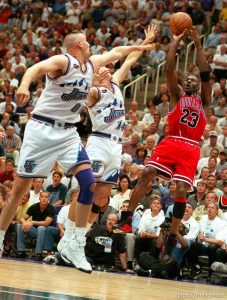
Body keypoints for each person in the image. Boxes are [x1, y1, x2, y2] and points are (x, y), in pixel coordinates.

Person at [0, 31, 152, 273]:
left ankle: (76, 244)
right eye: (88, 41)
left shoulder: (93, 65)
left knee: (89, 183)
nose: (91, 45)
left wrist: (142, 45)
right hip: (42, 129)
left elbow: (118, 52)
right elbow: (35, 68)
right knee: (20, 189)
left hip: (69, 133)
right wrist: (25, 85)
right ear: (80, 44)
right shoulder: (64, 62)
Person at [125, 27, 212, 264]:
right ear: (184, 85)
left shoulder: (204, 100)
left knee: (182, 191)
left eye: (194, 79)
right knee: (147, 173)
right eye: (188, 79)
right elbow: (170, 69)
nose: (191, 80)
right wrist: (174, 43)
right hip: (172, 141)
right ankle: (127, 214)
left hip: (191, 146)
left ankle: (172, 235)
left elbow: (206, 74)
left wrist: (199, 47)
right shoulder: (176, 96)